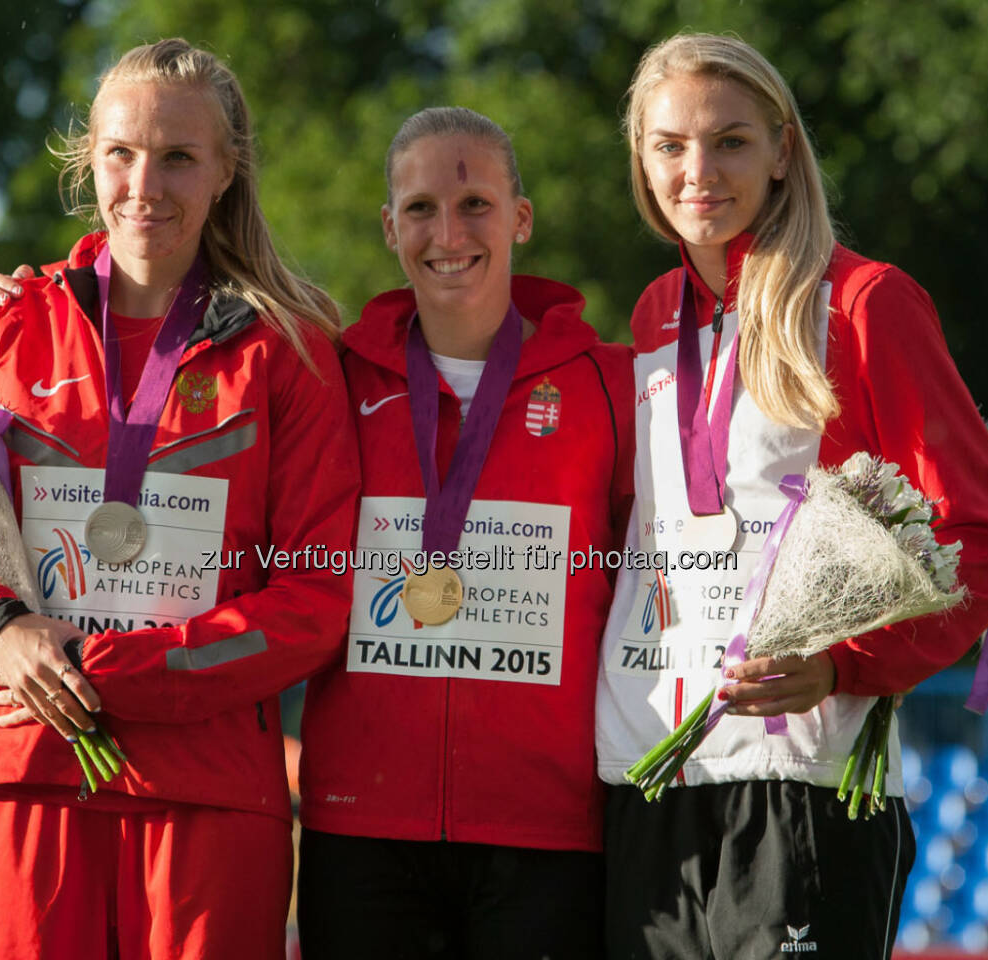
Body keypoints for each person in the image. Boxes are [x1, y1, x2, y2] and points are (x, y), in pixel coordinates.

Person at [0, 38, 359, 960]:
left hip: (210, 787)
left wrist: (116, 670)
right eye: (122, 154)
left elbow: (315, 600)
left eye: (180, 156)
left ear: (226, 171)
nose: (146, 183)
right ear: (88, 161)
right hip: (20, 762)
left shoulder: (289, 354)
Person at [593, 33, 988, 960]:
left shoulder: (866, 303)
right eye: (668, 145)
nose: (697, 170)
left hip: (801, 777)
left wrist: (853, 664)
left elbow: (983, 538)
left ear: (784, 150)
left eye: (731, 142)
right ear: (640, 158)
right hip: (647, 772)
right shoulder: (651, 315)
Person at [293, 107, 633, 959]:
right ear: (388, 227)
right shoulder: (331, 379)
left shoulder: (610, 386)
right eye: (418, 209)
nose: (448, 232)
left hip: (545, 831)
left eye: (475, 202)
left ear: (521, 217)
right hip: (360, 823)